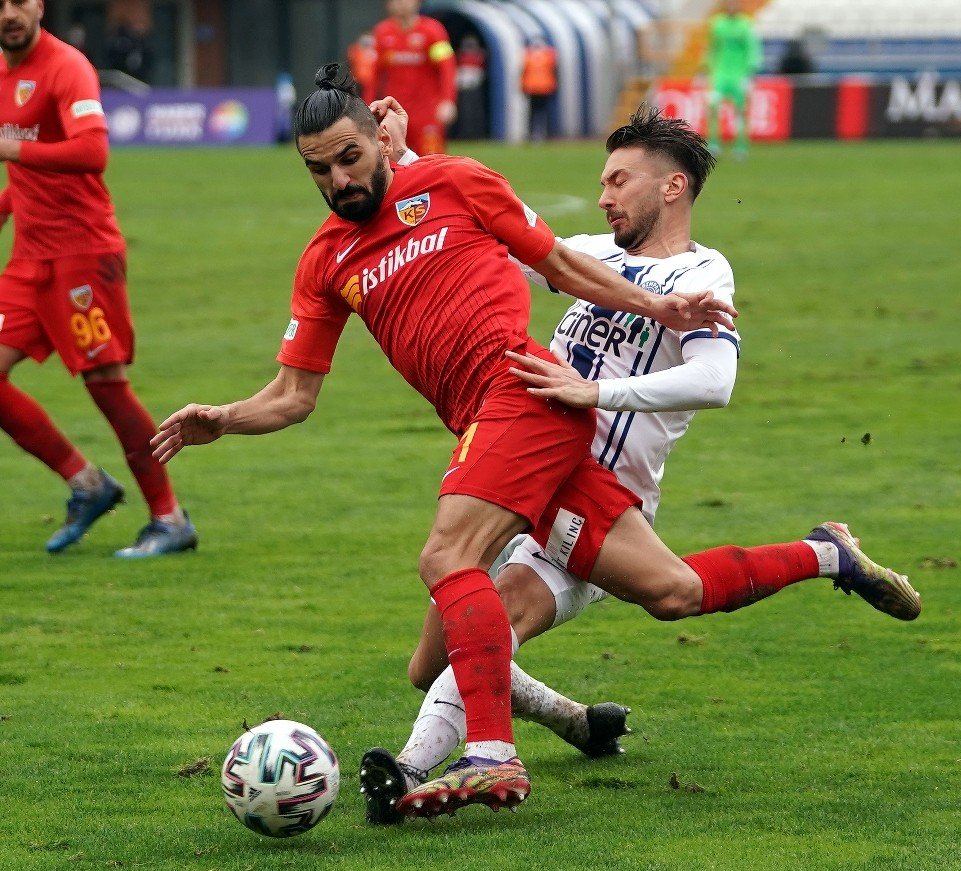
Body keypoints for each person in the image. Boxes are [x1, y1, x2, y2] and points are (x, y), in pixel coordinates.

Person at [150, 67, 914, 824]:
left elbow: (558, 263)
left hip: (521, 396)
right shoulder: (326, 259)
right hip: (516, 430)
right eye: (319, 169)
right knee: (615, 607)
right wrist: (226, 415)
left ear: (376, 142)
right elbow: (293, 394)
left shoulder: (463, 184)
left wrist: (657, 310)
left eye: (350, 158)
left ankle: (488, 754)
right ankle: (820, 558)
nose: (337, 179)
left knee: (446, 558)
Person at [357, 101, 921, 824]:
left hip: (603, 498)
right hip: (522, 468)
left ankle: (408, 769)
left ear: (672, 187)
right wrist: (402, 159)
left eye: (619, 179)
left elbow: (714, 382)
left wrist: (596, 390)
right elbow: (484, 229)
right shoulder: (589, 251)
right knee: (428, 664)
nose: (603, 194)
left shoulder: (703, 271)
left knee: (648, 597)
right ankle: (572, 719)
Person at [0, 0, 197, 558]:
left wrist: (10, 147)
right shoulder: (2, 75)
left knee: (106, 386)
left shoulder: (67, 67)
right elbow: (27, 175)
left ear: (39, 6)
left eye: (19, 0)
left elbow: (91, 151)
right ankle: (87, 484)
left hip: (82, 256)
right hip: (29, 261)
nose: (9, 13)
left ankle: (170, 518)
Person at [371, 0, 456, 155]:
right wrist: (367, 106)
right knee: (394, 165)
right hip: (394, 112)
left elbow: (447, 68)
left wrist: (448, 101)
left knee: (433, 163)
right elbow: (374, 75)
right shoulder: (382, 33)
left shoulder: (433, 30)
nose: (401, 3)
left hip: (427, 113)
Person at [701, 0, 761, 159]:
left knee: (740, 110)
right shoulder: (717, 24)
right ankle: (713, 143)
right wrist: (706, 69)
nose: (732, 5)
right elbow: (712, 48)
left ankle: (741, 145)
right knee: (713, 108)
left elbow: (752, 49)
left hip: (739, 75)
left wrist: (750, 72)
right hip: (719, 74)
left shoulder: (745, 24)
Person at [521, 35, 558, 142]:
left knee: (533, 112)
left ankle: (534, 134)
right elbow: (555, 70)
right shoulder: (549, 55)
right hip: (544, 87)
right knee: (542, 112)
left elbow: (523, 71)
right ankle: (542, 133)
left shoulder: (528, 55)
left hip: (533, 88)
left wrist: (522, 86)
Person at [347, 31, 378, 104]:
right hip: (358, 81)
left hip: (373, 83)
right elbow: (351, 63)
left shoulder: (377, 52)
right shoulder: (355, 51)